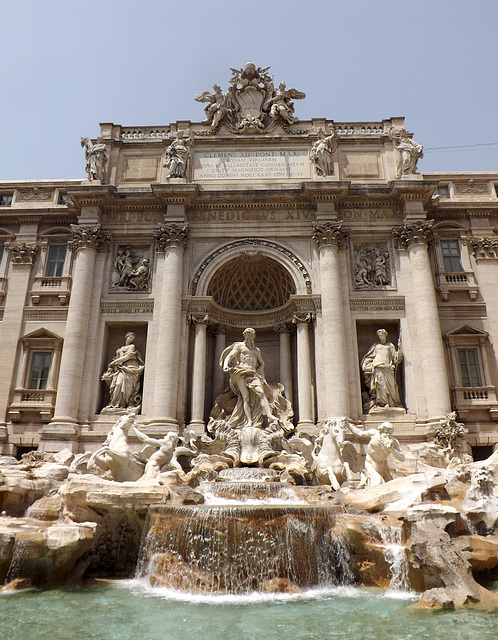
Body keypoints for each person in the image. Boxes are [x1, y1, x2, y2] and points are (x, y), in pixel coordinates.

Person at [220, 328, 278, 428]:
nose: (248, 337)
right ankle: (249, 421)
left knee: (261, 393)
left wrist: (260, 368)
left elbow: (261, 363)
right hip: (241, 372)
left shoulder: (256, 350)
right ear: (244, 336)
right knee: (245, 397)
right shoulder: (239, 346)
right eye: (247, 335)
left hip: (253, 373)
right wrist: (225, 365)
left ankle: (269, 415)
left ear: (253, 337)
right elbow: (229, 356)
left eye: (250, 335)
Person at [346, 421, 405, 487]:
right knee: (376, 483)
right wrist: (348, 425)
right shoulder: (374, 434)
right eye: (385, 432)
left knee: (390, 486)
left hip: (383, 467)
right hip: (370, 465)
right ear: (380, 430)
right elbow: (360, 433)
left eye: (390, 433)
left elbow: (402, 458)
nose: (387, 435)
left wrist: (392, 450)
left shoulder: (394, 442)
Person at [361, 329, 402, 410]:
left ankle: (391, 402)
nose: (381, 337)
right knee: (381, 385)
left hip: (388, 368)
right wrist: (367, 365)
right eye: (379, 336)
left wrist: (400, 349)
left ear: (385, 335)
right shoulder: (375, 346)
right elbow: (369, 357)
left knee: (391, 386)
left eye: (382, 335)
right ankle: (383, 403)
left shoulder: (390, 345)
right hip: (378, 367)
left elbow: (395, 358)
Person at [102, 332, 145, 409]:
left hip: (130, 368)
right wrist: (112, 365)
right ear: (126, 337)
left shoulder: (132, 346)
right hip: (120, 369)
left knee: (128, 388)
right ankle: (114, 404)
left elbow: (127, 357)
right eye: (130, 337)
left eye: (132, 339)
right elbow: (116, 358)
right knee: (118, 384)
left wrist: (114, 362)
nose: (131, 339)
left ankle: (123, 404)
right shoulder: (120, 349)